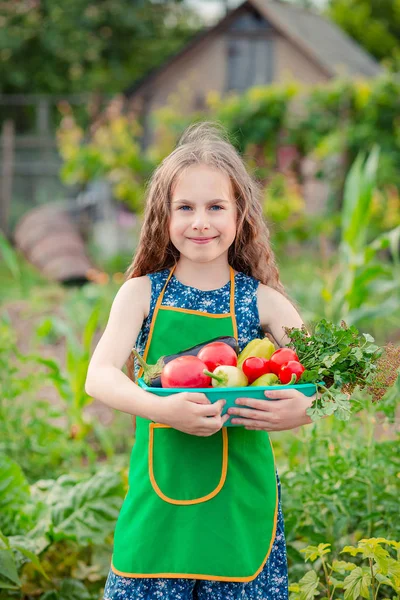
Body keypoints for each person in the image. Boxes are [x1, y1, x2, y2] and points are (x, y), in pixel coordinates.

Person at [85, 121, 316, 600]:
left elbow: (327, 379)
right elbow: (99, 376)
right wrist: (161, 409)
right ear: (163, 216)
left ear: (241, 214)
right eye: (185, 208)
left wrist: (303, 409)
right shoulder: (141, 294)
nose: (200, 222)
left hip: (239, 506)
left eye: (216, 207)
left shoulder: (265, 303)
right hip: (159, 501)